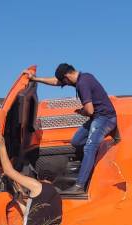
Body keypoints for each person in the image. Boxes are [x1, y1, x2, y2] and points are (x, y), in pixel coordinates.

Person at [26, 63, 117, 194]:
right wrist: (35, 79)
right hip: (97, 117)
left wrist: (81, 111)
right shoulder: (83, 77)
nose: (63, 84)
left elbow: (90, 111)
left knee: (89, 148)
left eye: (64, 81)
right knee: (76, 141)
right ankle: (90, 158)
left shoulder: (82, 84)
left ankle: (79, 186)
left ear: (67, 76)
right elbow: (56, 81)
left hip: (104, 118)